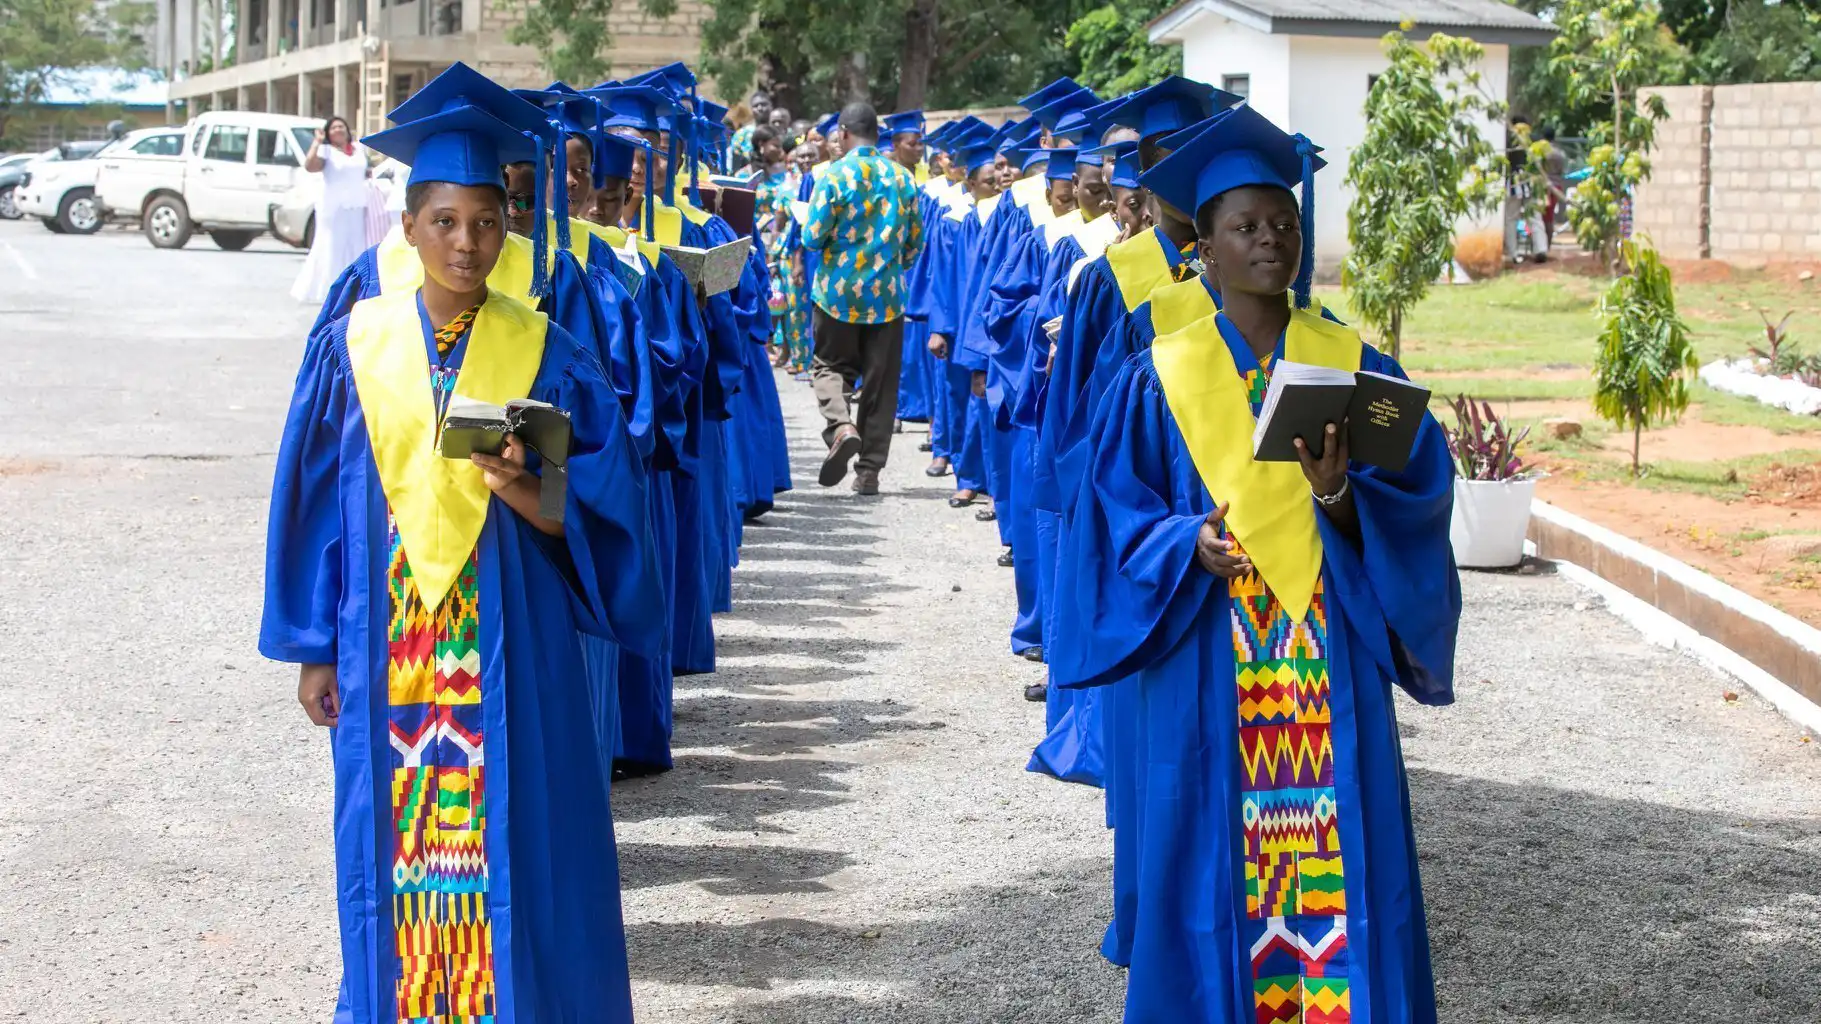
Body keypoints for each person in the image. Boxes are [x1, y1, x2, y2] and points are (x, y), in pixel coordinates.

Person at [261, 62, 660, 1024]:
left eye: (486, 221)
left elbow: (605, 508)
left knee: (525, 837)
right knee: (393, 847)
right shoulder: (356, 343)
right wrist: (315, 646)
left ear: (507, 224)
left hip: (511, 639)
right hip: (382, 639)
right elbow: (313, 504)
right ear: (407, 228)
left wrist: (528, 489)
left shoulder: (545, 348)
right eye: (444, 222)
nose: (467, 243)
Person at [1054, 104, 1460, 1023]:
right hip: (1209, 646)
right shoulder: (1158, 376)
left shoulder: (1356, 366)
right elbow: (1111, 516)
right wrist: (1179, 543)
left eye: (1283, 223)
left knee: (1339, 847)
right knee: (1209, 851)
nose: (1270, 241)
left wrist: (1336, 494)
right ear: (1204, 246)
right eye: (1245, 227)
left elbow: (1419, 497)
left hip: (1329, 646)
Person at [800, 100, 925, 494]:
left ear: (842, 134)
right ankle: (868, 472)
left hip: (836, 294)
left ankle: (841, 425)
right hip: (886, 298)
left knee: (827, 366)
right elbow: (914, 243)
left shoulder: (834, 176)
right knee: (880, 384)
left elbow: (812, 237)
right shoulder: (903, 178)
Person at [290, 115, 374, 304]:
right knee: (332, 246)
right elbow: (310, 166)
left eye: (341, 126)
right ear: (328, 133)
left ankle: (354, 288)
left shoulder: (359, 149)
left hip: (357, 204)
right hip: (334, 207)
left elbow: (366, 171)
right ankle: (329, 289)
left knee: (356, 246)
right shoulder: (326, 150)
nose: (338, 130)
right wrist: (317, 143)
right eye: (334, 128)